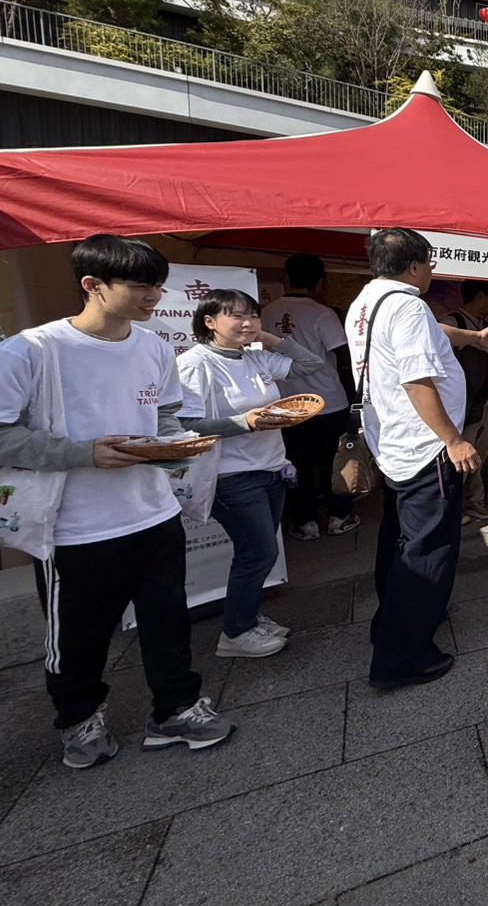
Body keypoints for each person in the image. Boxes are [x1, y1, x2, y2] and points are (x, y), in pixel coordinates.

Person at [0, 236, 234, 768]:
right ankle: (79, 719)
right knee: (77, 637)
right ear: (93, 285)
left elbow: (166, 416)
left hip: (154, 514)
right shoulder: (32, 350)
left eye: (158, 285)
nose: (154, 296)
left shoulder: (154, 347)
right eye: (140, 285)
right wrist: (83, 453)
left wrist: (178, 447)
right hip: (74, 528)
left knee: (168, 622)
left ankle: (177, 708)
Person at [344, 228, 488, 688]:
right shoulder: (409, 306)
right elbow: (417, 380)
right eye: (429, 263)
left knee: (398, 538)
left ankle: (390, 622)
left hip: (392, 443)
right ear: (413, 266)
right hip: (425, 447)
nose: (432, 271)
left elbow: (435, 333)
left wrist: (473, 338)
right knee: (427, 548)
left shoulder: (366, 303)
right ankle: (404, 655)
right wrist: (453, 439)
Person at [178, 288, 326, 658]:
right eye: (236, 315)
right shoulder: (196, 364)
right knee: (258, 552)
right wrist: (246, 422)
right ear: (210, 322)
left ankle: (246, 617)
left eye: (253, 315)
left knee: (257, 552)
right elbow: (187, 425)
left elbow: (312, 365)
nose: (247, 323)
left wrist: (269, 338)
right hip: (231, 475)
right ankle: (236, 632)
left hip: (271, 467)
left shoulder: (255, 357)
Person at [260, 254, 360, 543]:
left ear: (286, 278)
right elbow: (344, 354)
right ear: (320, 282)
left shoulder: (267, 312)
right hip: (329, 401)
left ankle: (306, 522)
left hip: (286, 403)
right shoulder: (322, 313)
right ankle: (339, 515)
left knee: (297, 463)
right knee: (336, 462)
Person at [448, 280, 488, 523]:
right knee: (463, 458)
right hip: (467, 403)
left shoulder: (483, 325)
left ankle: (474, 502)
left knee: (481, 455)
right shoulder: (454, 322)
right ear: (480, 295)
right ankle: (454, 507)